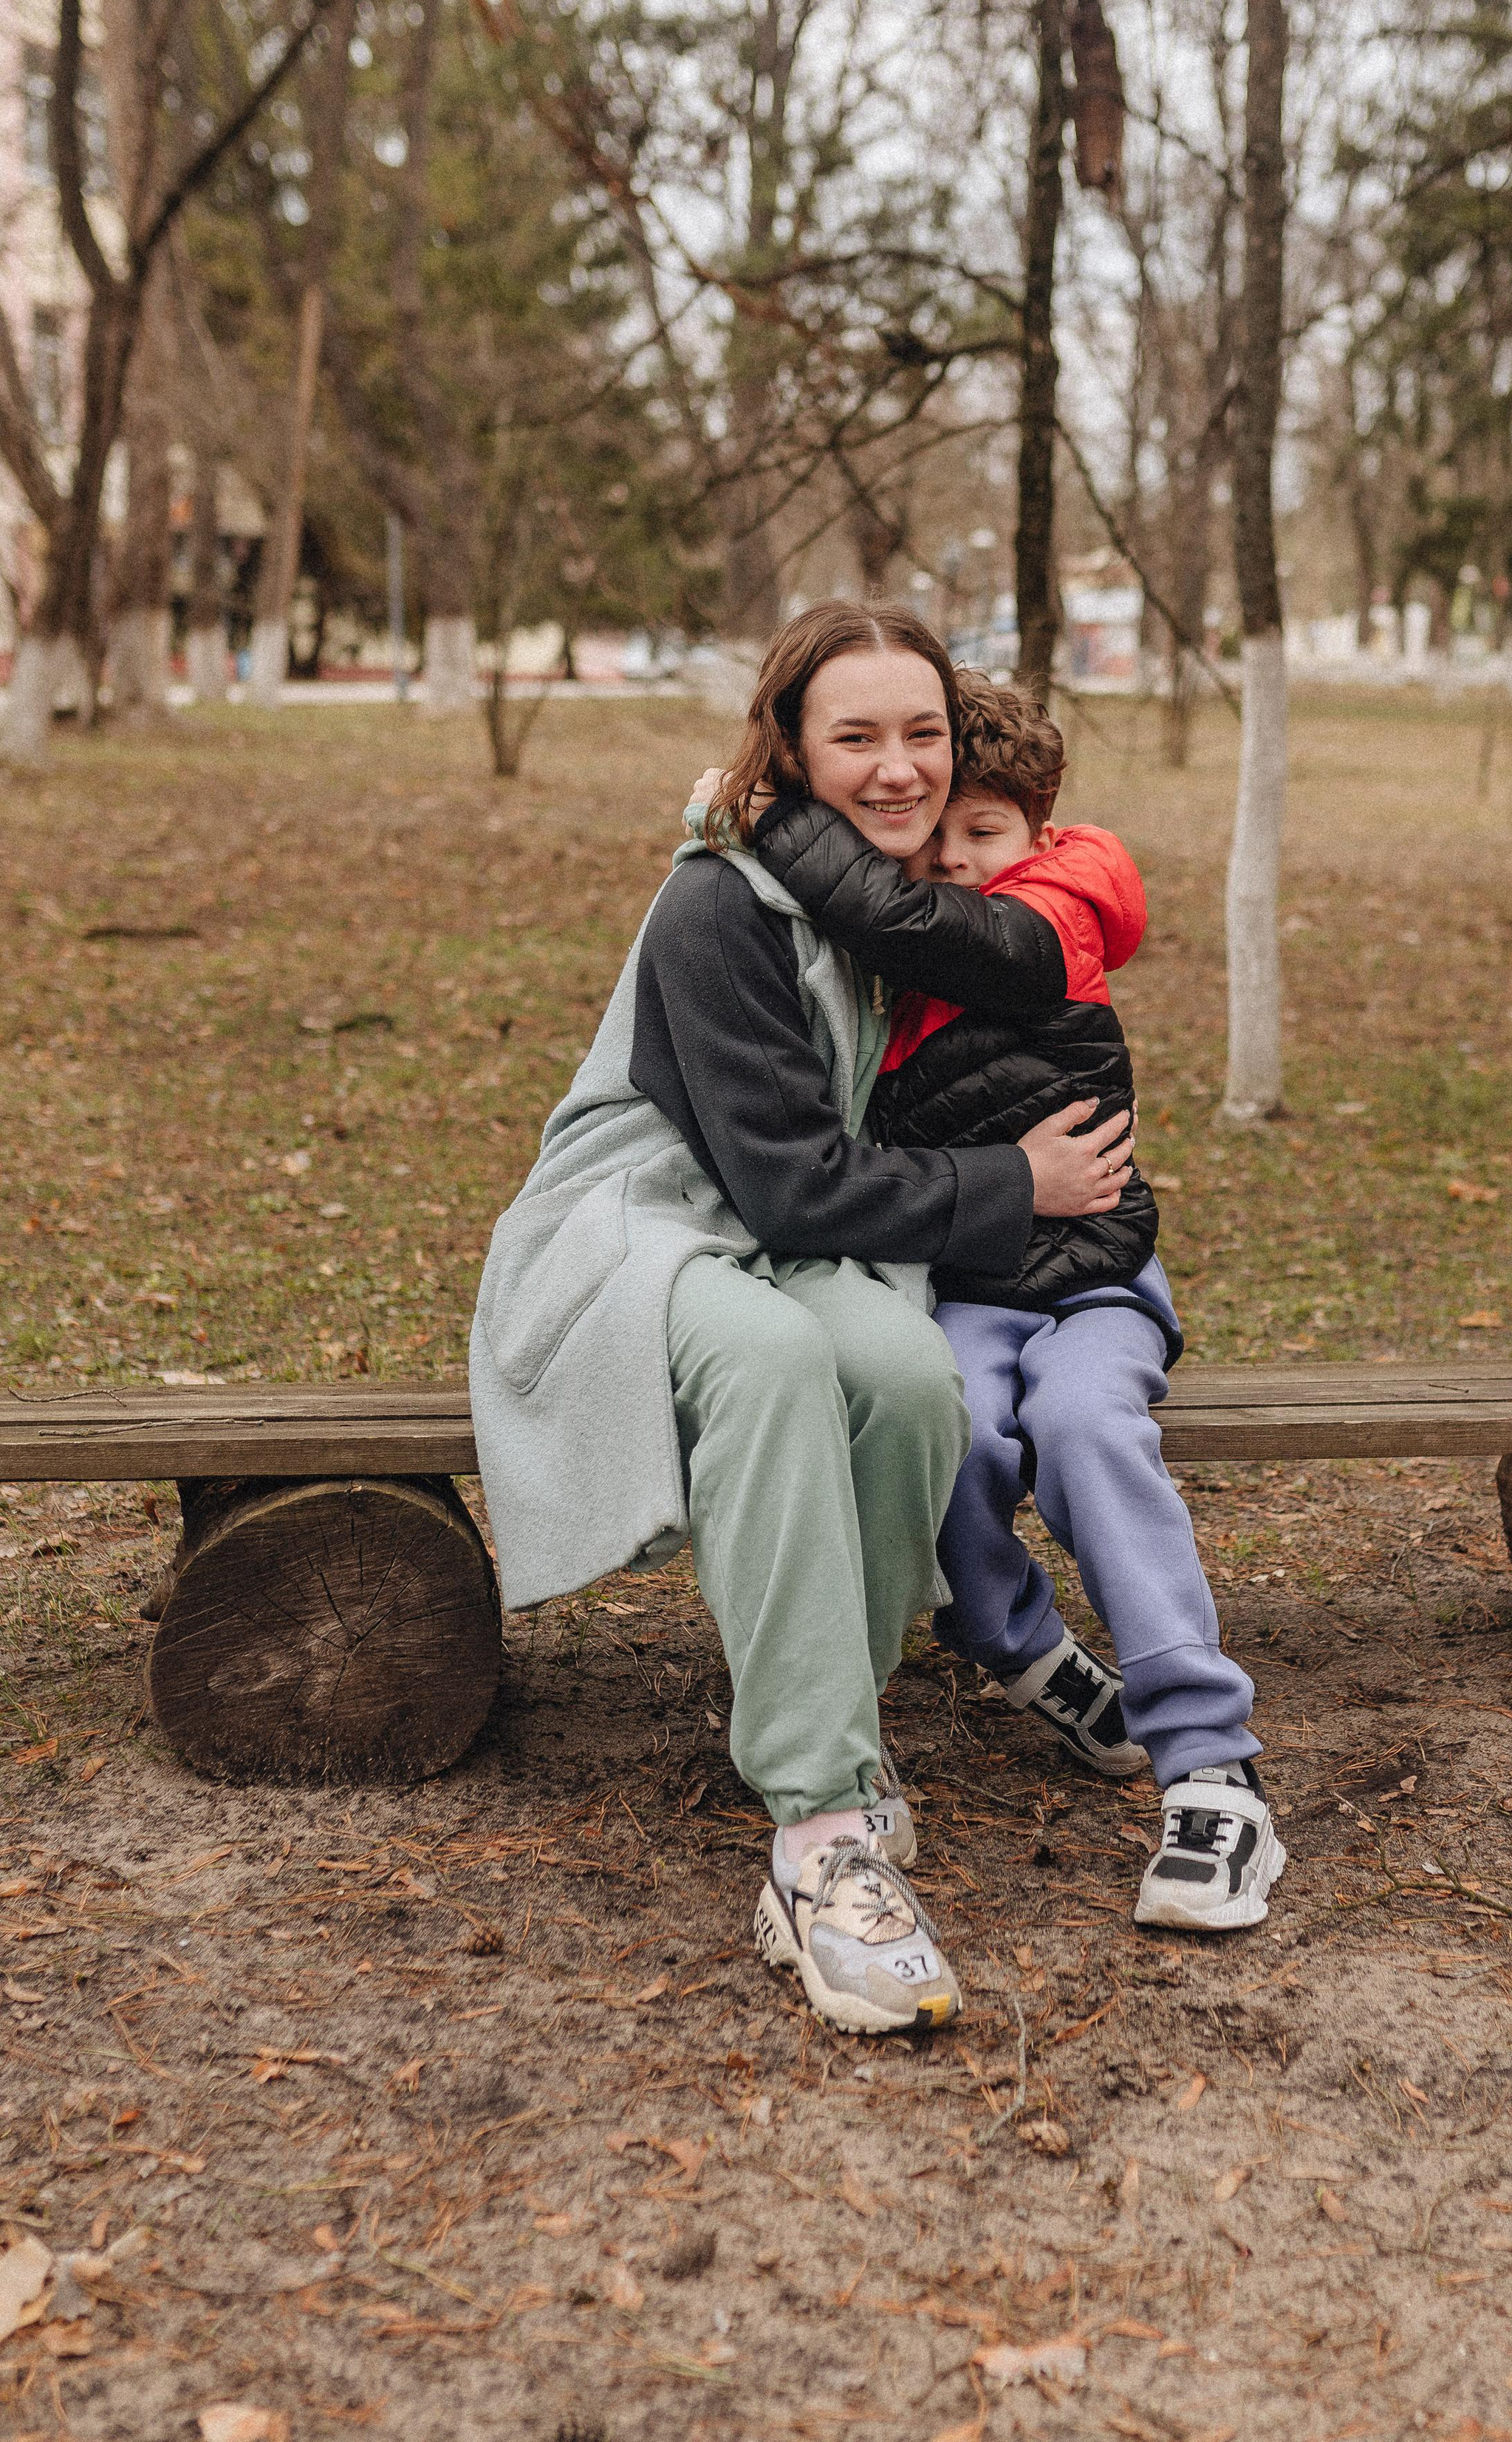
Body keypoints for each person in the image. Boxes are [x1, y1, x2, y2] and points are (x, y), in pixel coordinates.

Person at [469, 604, 1132, 2035]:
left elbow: (1037, 954)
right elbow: (778, 1178)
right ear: (791, 746)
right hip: (647, 1221)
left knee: (901, 1377)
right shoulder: (719, 901)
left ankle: (843, 1699)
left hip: (803, 1223)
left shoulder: (878, 895)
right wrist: (1012, 1182)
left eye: (922, 735)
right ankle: (816, 1832)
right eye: (855, 739)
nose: (897, 770)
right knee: (773, 1364)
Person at [753, 675, 1286, 1935]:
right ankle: (1030, 1654)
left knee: (1089, 1428)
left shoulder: (1053, 908)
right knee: (956, 1430)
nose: (955, 870)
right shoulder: (885, 973)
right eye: (936, 851)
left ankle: (1214, 1770)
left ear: (1038, 834)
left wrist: (775, 815)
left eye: (982, 837)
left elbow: (927, 919)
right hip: (972, 1288)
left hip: (1096, 1274)